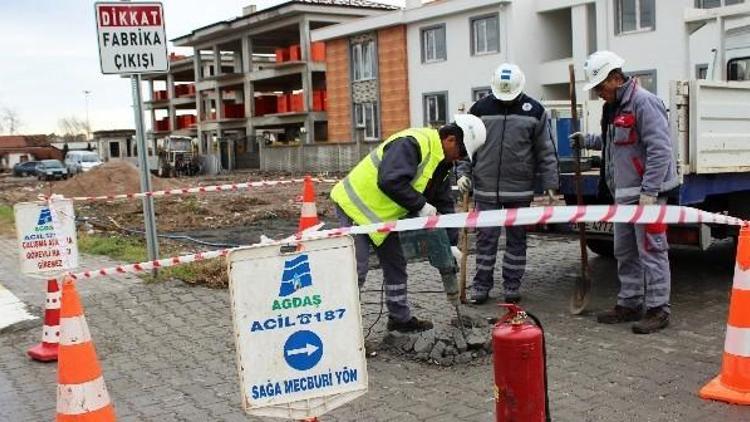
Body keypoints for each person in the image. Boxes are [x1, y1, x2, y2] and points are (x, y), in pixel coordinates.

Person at [330, 115, 486, 333]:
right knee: (357, 269)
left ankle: (399, 319)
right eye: (461, 153)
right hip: (355, 207)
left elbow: (444, 203)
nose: (458, 159)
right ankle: (340, 329)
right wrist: (420, 204)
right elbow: (389, 179)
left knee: (396, 265)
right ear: (450, 140)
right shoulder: (413, 143)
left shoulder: (441, 164)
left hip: (384, 217)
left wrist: (450, 243)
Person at [569, 50, 679, 334]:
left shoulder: (644, 103)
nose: (597, 94)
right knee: (625, 251)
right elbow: (614, 143)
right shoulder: (615, 108)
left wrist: (650, 192)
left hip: (646, 196)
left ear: (616, 79)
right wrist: (588, 140)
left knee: (651, 251)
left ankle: (658, 309)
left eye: (599, 87)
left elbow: (660, 149)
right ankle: (629, 303)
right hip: (624, 196)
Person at [457, 63, 559, 305]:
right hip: (485, 187)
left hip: (520, 188)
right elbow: (466, 145)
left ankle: (512, 285)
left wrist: (551, 183)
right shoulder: (479, 109)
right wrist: (462, 173)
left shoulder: (534, 111)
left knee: (517, 239)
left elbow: (545, 150)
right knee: (486, 239)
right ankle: (481, 285)